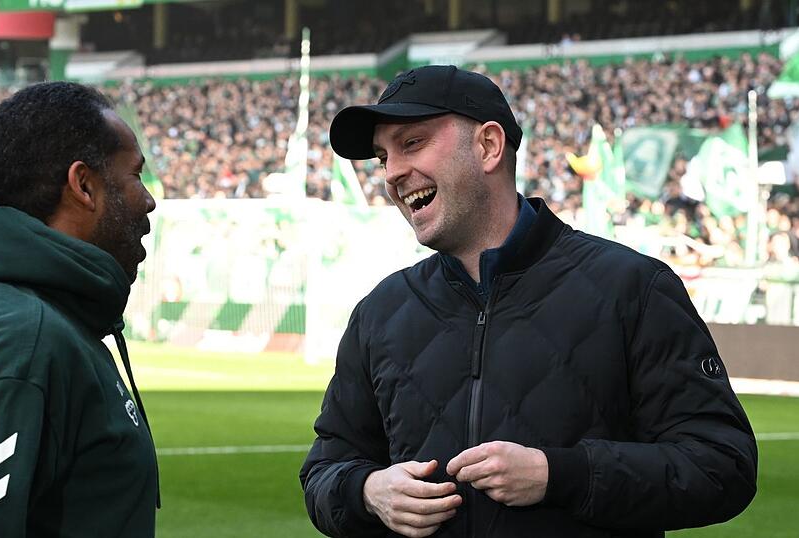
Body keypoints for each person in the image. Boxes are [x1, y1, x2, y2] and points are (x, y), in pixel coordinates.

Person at [300, 65, 757, 538]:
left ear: (488, 146)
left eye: (412, 143)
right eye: (382, 157)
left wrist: (560, 475)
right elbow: (325, 468)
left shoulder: (633, 287)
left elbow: (723, 464)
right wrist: (368, 491)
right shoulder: (381, 311)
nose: (392, 173)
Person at [0, 82, 159, 537]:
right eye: (136, 175)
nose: (149, 199)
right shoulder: (20, 336)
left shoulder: (57, 323)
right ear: (83, 186)